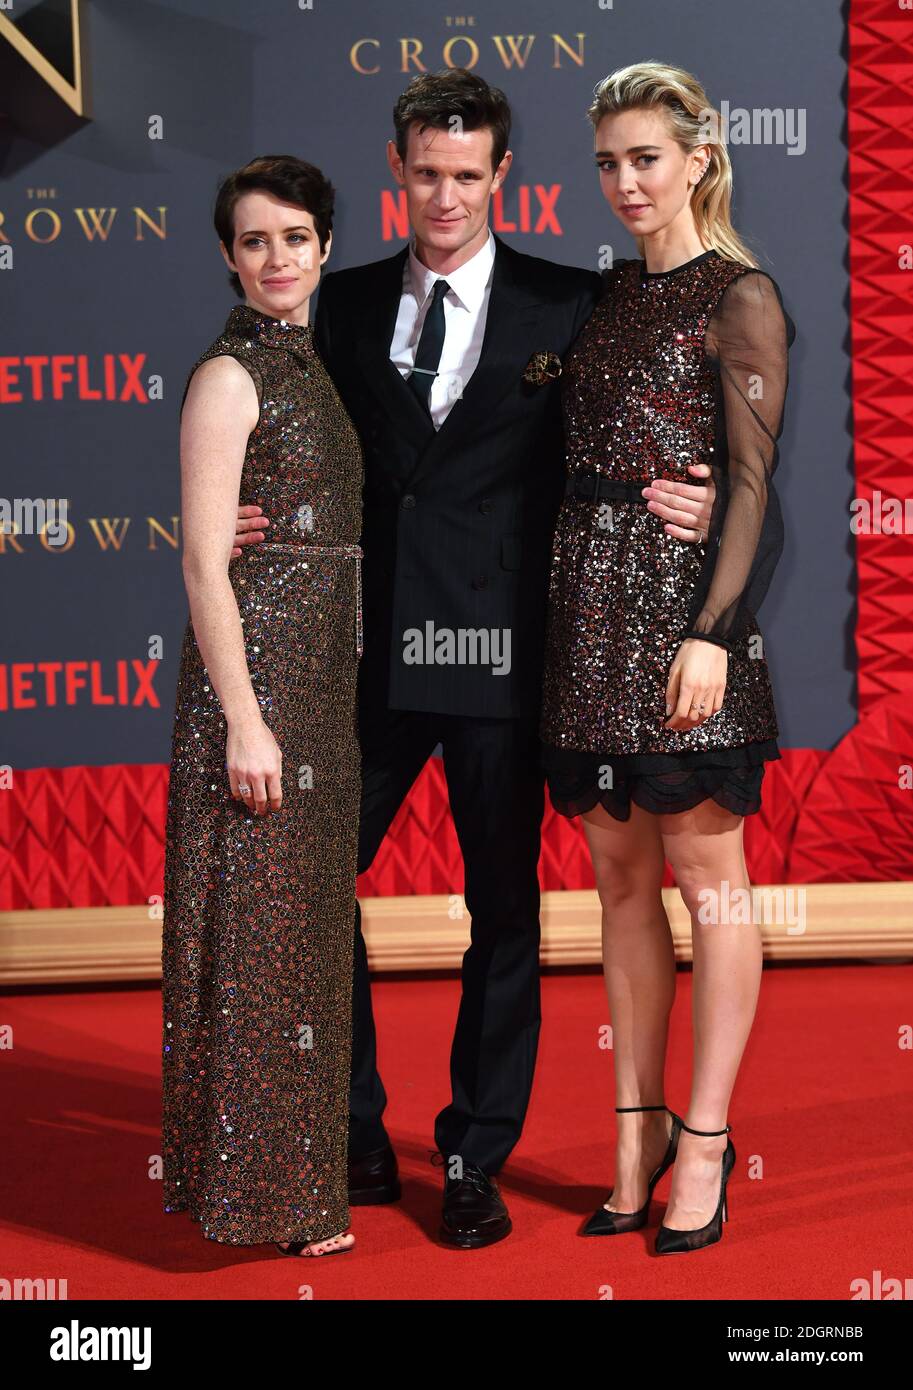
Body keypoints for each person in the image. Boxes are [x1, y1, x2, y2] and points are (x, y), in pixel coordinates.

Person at [232, 70, 715, 1249]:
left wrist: (700, 491)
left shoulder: (573, 300)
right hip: (365, 657)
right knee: (310, 889)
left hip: (505, 657)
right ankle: (352, 1130)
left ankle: (470, 1154)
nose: (444, 194)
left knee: (502, 912)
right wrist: (242, 511)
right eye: (424, 171)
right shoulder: (332, 306)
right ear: (397, 170)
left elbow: (650, 413)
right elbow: (262, 418)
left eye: (467, 174)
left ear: (502, 177)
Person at [540, 62, 795, 1253]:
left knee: (712, 881)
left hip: (690, 631)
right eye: (607, 161)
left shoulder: (739, 296)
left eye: (646, 156)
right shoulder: (594, 304)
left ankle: (705, 1139)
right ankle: (631, 1136)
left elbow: (749, 484)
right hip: (586, 628)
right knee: (622, 890)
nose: (625, 181)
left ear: (698, 156)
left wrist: (710, 630)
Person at [161, 155, 363, 1259]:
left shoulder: (310, 367)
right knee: (257, 946)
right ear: (227, 256)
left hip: (318, 690)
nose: (276, 258)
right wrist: (244, 716)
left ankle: (279, 1193)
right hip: (261, 694)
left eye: (294, 237)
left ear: (324, 246)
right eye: (254, 241)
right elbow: (201, 563)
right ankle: (256, 1198)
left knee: (299, 952)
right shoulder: (229, 376)